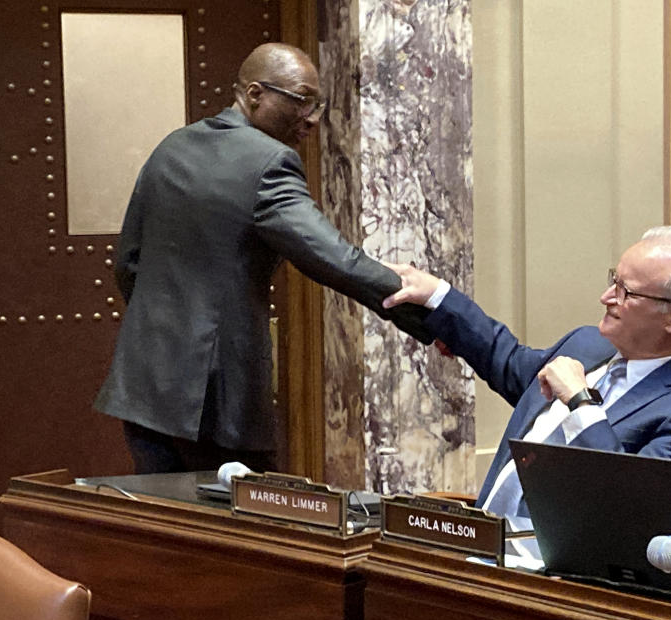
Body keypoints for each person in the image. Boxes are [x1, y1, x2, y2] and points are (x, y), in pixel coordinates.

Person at [95, 43, 432, 474]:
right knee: (239, 532)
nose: (311, 117)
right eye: (301, 100)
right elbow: (333, 258)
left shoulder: (172, 147)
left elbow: (128, 262)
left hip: (144, 391)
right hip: (215, 405)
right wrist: (433, 313)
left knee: (165, 529)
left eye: (317, 103)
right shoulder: (269, 163)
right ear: (255, 94)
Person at [383, 226, 671, 527]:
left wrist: (581, 402)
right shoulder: (587, 343)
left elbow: (634, 510)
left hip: (560, 584)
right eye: (614, 280)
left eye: (626, 292)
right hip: (486, 542)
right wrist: (438, 297)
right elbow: (506, 360)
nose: (606, 297)